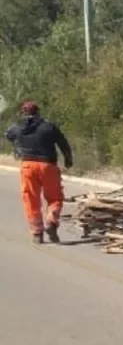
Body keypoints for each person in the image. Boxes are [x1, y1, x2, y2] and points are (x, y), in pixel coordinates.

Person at [5, 101, 73, 244]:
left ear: (23, 113)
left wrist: (17, 146)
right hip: (48, 165)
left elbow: (8, 135)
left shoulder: (17, 127)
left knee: (30, 200)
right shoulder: (48, 126)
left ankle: (37, 233)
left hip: (28, 166)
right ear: (38, 112)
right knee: (55, 198)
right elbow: (63, 143)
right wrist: (68, 159)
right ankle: (51, 221)